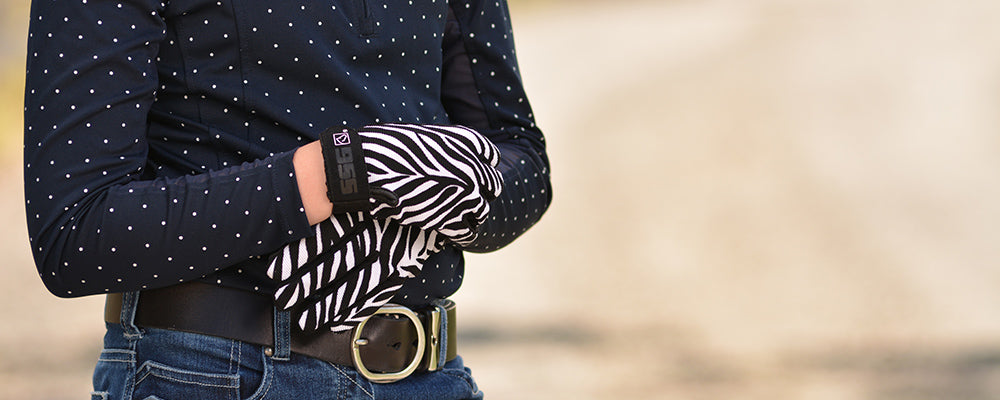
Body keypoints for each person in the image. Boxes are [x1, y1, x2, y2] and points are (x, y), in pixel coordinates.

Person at [22, 0, 551, 397]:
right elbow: (75, 234)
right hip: (211, 375)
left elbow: (525, 163)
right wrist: (340, 172)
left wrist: (438, 173)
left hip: (426, 376)